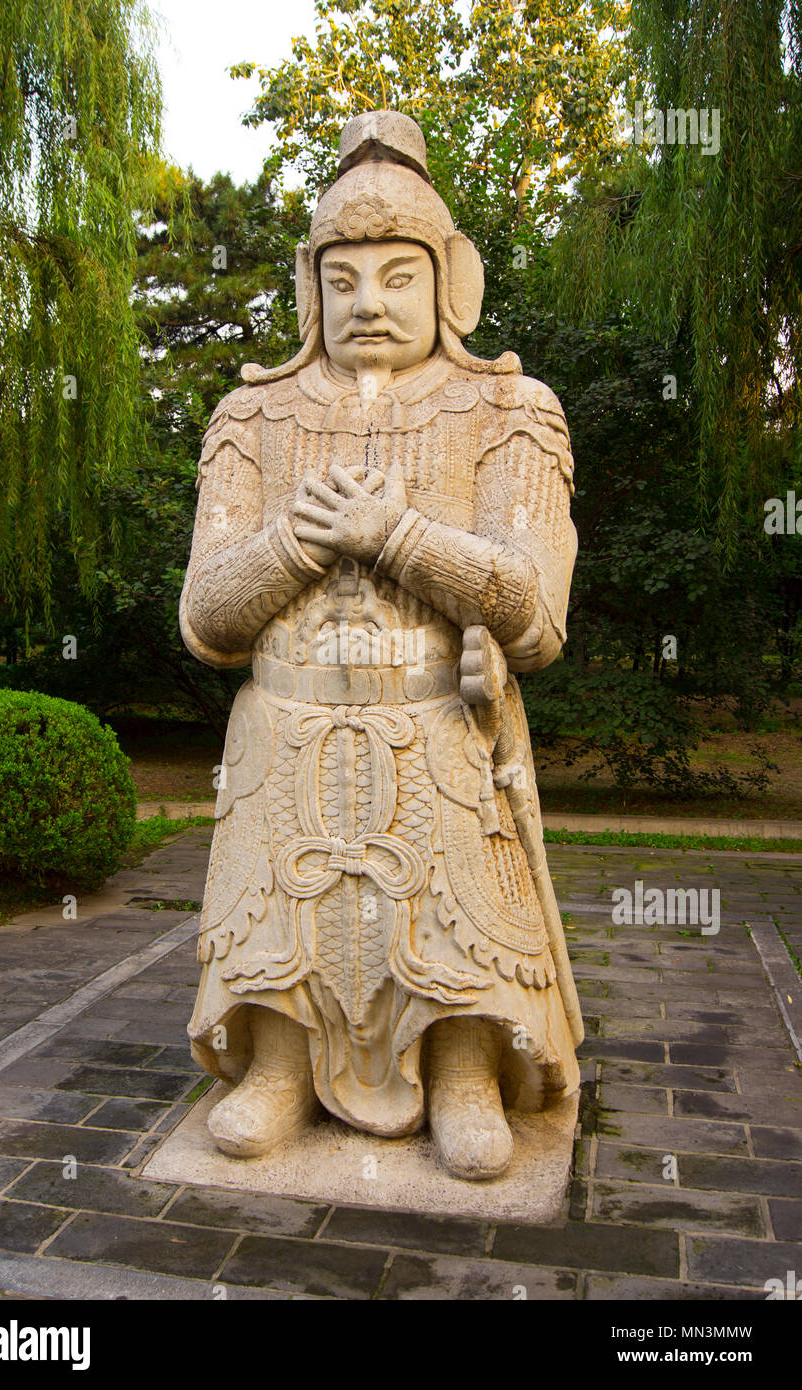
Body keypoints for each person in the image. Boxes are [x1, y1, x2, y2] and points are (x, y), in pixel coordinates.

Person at [179, 111, 582, 1180]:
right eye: (343, 276)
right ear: (308, 287)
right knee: (284, 908)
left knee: (450, 907)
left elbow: (534, 607)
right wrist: (293, 545)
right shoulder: (251, 418)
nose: (367, 302)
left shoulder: (507, 408)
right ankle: (276, 1066)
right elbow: (208, 616)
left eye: (397, 275)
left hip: (438, 719)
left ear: (450, 281)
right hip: (287, 720)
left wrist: (397, 536)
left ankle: (461, 1072)